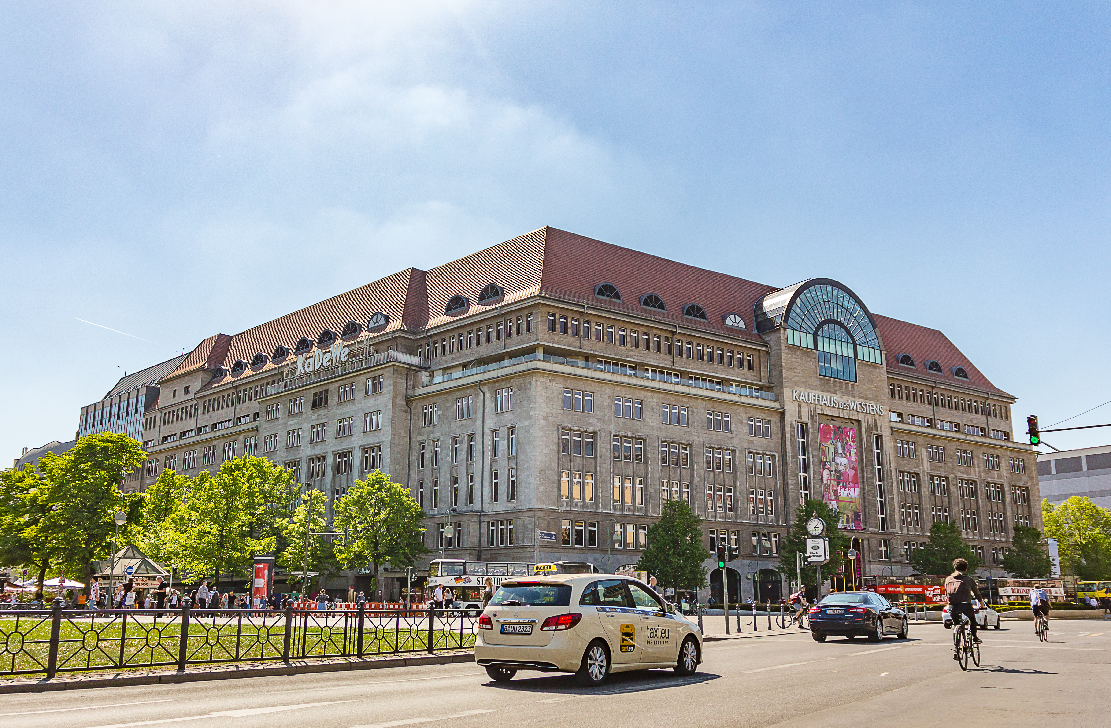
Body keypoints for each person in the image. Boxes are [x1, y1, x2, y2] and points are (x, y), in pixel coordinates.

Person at [944, 558, 984, 646]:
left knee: (957, 624)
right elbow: (977, 594)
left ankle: (957, 647)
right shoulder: (968, 579)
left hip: (953, 606)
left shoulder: (948, 579)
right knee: (972, 620)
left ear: (955, 569)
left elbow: (946, 593)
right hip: (966, 605)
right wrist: (982, 605)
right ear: (966, 569)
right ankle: (974, 637)